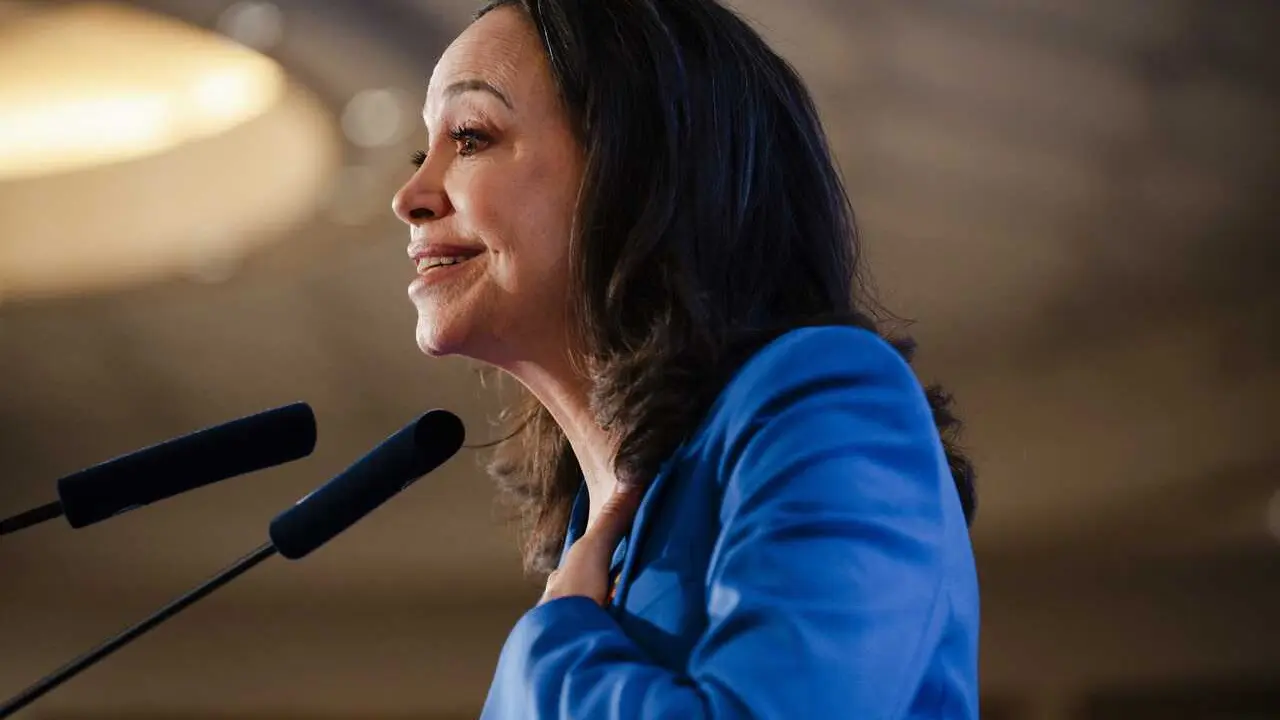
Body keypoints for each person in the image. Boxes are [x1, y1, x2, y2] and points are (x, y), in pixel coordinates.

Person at [391, 0, 979, 717]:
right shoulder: (587, 543)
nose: (410, 196)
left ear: (634, 167)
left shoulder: (827, 398)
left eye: (472, 137)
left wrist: (552, 645)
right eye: (426, 153)